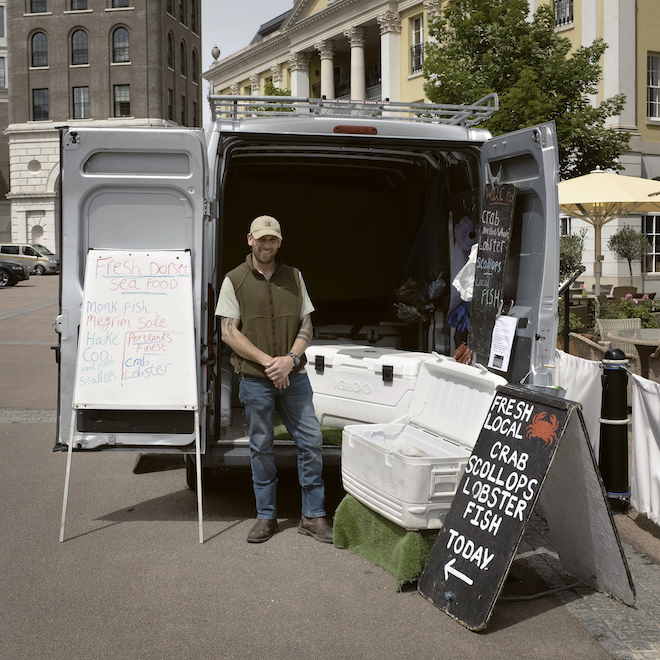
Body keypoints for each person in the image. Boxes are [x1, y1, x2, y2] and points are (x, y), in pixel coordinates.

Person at [216, 215, 333, 544]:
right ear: (249, 239)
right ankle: (266, 516)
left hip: (294, 376)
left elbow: (307, 324)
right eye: (261, 239)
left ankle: (312, 516)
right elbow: (228, 332)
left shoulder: (294, 277)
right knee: (261, 448)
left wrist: (290, 359)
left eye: (273, 240)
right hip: (256, 378)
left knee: (311, 443)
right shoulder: (234, 280)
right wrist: (270, 363)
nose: (267, 245)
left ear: (279, 242)